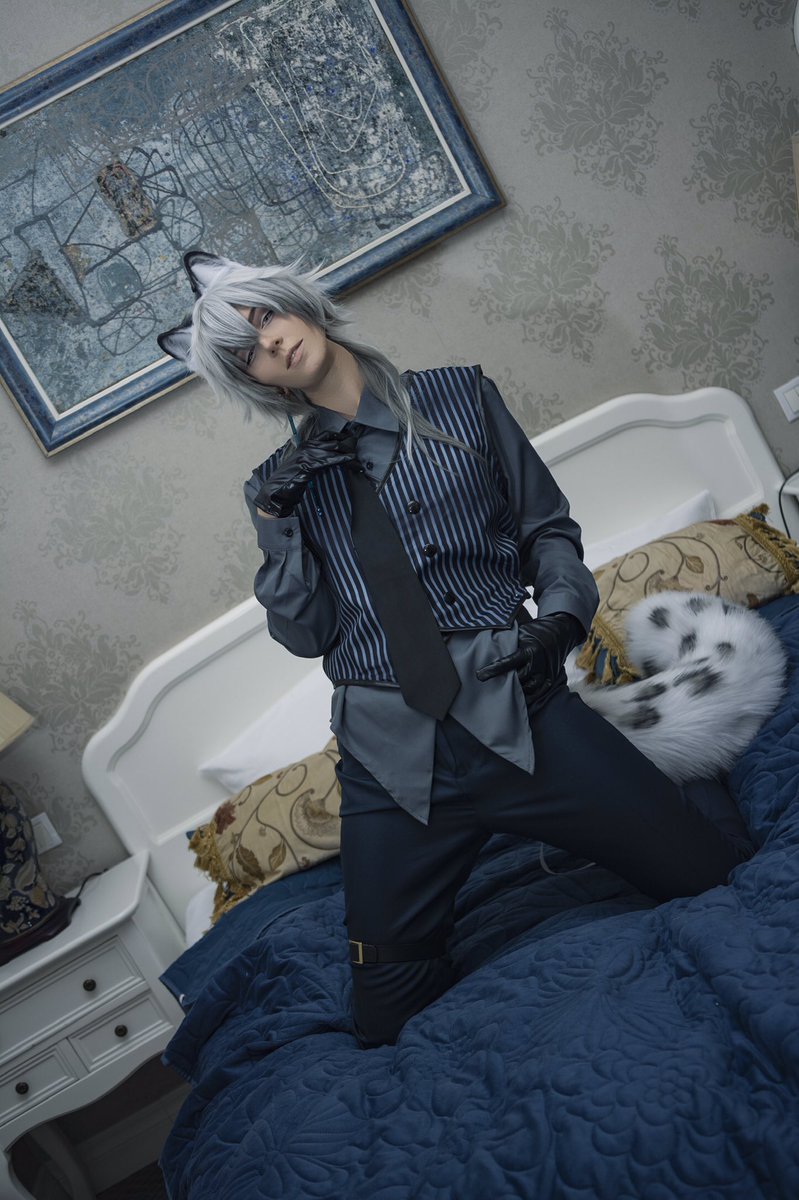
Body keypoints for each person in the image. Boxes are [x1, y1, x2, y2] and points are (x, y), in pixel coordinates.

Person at [158, 250, 755, 1049]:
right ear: (253, 381)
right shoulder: (276, 486)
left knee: (715, 874)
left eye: (265, 316)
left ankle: (668, 790)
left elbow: (546, 530)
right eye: (246, 353)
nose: (269, 343)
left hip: (521, 708)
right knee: (383, 1016)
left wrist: (561, 619)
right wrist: (277, 522)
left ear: (295, 301)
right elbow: (303, 634)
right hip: (389, 761)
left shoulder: (462, 398)